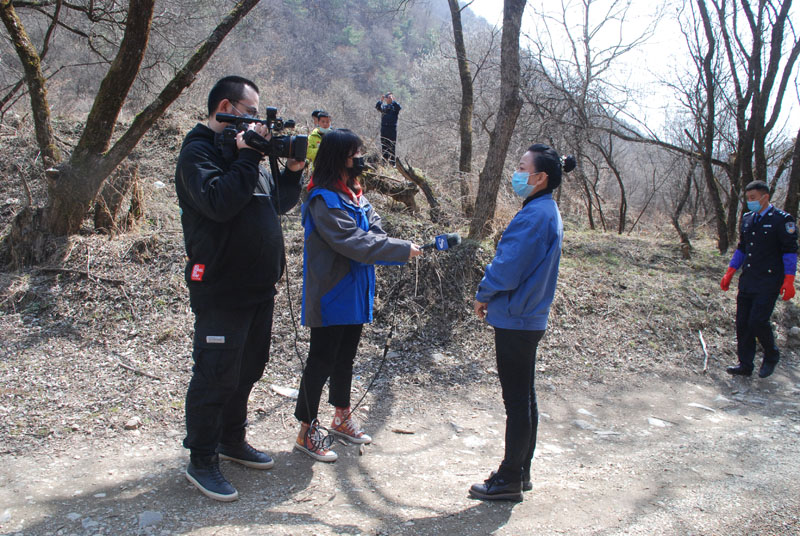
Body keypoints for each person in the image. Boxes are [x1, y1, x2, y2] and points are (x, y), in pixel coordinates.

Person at [175, 75, 305, 502]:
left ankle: (231, 440)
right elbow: (219, 203)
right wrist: (247, 155)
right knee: (216, 374)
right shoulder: (198, 152)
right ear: (225, 108)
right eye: (250, 113)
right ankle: (202, 459)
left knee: (248, 369)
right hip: (222, 287)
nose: (256, 121)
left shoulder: (244, 153)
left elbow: (275, 204)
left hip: (258, 287)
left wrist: (291, 173)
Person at [293, 129, 422, 462]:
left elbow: (374, 231)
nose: (360, 160)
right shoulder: (322, 199)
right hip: (330, 294)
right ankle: (306, 430)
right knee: (321, 361)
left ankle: (341, 417)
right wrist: (399, 249)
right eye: (355, 155)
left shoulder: (356, 196)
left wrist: (388, 245)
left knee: (345, 359)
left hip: (356, 292)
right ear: (339, 158)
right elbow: (353, 241)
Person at [470, 144, 575, 502]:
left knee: (516, 401)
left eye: (521, 167)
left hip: (517, 317)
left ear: (540, 177)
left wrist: (483, 293)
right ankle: (521, 471)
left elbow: (508, 267)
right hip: (528, 316)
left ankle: (509, 477)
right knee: (525, 397)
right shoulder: (546, 210)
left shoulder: (534, 216)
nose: (516, 173)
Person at [720, 180, 797, 379]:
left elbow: (790, 251)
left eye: (753, 198)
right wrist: (730, 271)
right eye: (747, 198)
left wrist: (789, 279)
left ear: (765, 197)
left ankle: (771, 354)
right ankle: (745, 364)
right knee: (743, 323)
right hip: (749, 279)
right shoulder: (747, 219)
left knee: (758, 321)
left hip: (769, 280)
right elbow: (742, 248)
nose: (750, 202)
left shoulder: (781, 220)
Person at [375, 92, 401, 166]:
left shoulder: (395, 108)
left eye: (390, 97)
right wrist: (381, 100)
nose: (389, 99)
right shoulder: (384, 107)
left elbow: (399, 107)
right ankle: (385, 163)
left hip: (392, 129)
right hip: (384, 129)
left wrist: (393, 101)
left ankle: (392, 164)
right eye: (388, 97)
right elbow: (377, 107)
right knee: (384, 146)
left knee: (392, 146)